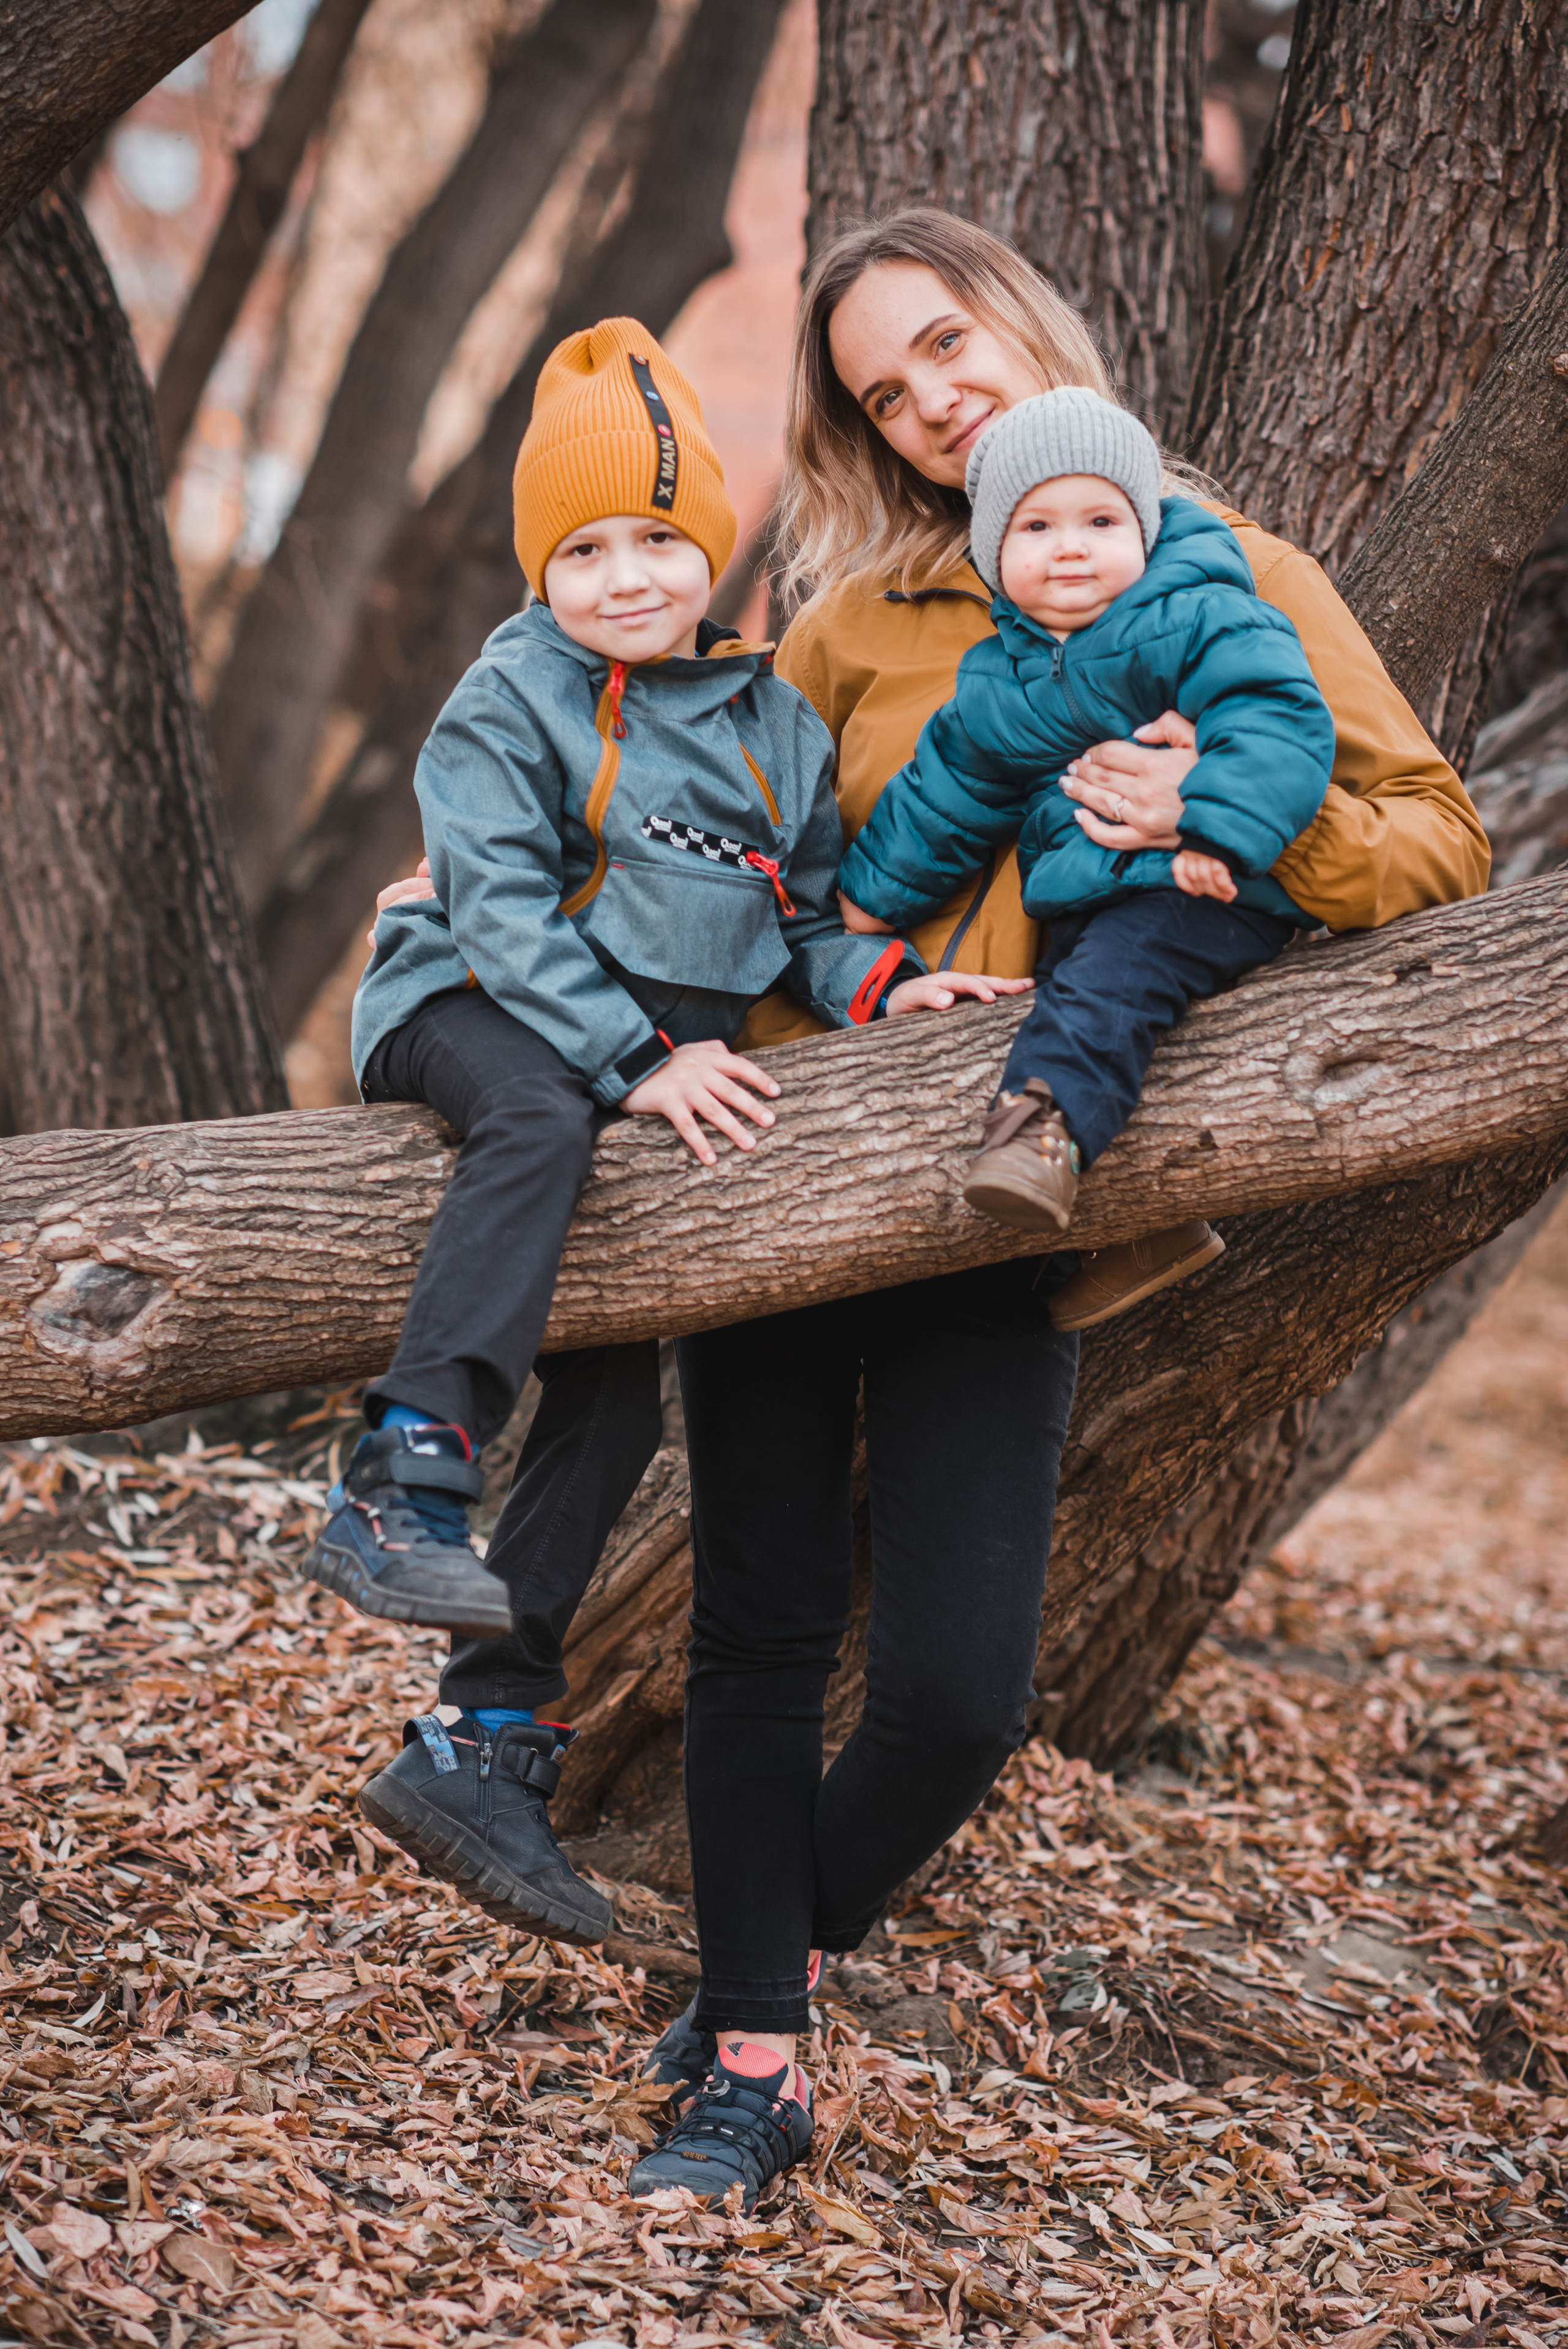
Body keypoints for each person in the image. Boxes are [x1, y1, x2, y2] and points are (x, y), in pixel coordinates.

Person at [372, 210, 1488, 2212]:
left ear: (1029, 329)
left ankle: (766, 1948)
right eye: (888, 391)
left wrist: (1241, 825)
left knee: (963, 1696)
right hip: (787, 1173)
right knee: (766, 1632)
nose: (931, 400)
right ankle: (751, 2059)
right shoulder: (849, 624)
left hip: (1018, 1200)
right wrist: (468, 893)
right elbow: (683, 833)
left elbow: (1442, 837)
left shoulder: (1219, 578)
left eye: (949, 347)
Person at [320, 316, 1025, 1951]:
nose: (625, 575)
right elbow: (495, 905)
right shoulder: (514, 693)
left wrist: (887, 991)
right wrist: (637, 1056)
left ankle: (482, 1741)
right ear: (541, 567)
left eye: (656, 538)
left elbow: (805, 926)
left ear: (709, 539)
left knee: (617, 1396)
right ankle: (402, 1469)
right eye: (584, 550)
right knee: (532, 1119)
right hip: (478, 1007)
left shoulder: (775, 722)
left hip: (632, 1060)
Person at [837, 387, 1336, 1234]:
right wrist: (866, 903)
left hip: (1201, 886)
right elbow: (945, 790)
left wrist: (1215, 823)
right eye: (1037, 529)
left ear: (1143, 530)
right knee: (1089, 998)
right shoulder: (1001, 679)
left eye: (1101, 523)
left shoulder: (1202, 614)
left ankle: (1038, 1134)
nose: (1071, 549)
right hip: (1085, 898)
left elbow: (1278, 719)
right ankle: (1117, 1241)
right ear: (995, 552)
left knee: (1100, 999)